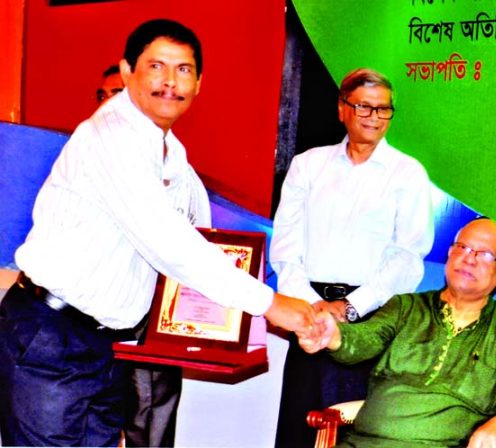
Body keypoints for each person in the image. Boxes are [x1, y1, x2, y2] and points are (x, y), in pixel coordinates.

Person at [0, 19, 316, 447]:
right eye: (157, 66)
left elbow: (201, 237)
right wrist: (271, 304)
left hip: (101, 347)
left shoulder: (172, 154)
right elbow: (168, 241)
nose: (170, 82)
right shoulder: (111, 137)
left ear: (200, 82)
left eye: (183, 70)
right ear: (128, 70)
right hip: (52, 339)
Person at [270, 68, 434, 447]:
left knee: (355, 430)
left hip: (370, 321)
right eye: (364, 107)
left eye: (383, 110)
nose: (374, 118)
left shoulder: (407, 173)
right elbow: (285, 247)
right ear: (342, 108)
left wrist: (350, 308)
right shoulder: (308, 165)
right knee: (300, 426)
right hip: (307, 316)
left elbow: (408, 258)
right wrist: (313, 306)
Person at [298, 218, 496, 447]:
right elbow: (363, 340)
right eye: (462, 247)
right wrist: (334, 337)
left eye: (483, 254)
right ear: (450, 254)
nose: (468, 259)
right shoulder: (406, 307)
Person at [94, 60, 184, 447]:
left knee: (149, 419)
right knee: (96, 420)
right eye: (102, 95)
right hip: (89, 322)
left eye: (116, 94)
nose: (107, 105)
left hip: (152, 317)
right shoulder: (87, 150)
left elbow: (196, 238)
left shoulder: (176, 163)